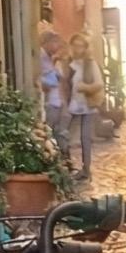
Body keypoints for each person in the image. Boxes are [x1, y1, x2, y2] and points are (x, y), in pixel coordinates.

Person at [67, 33, 106, 181]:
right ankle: (67, 165)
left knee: (85, 137)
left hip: (87, 104)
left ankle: (86, 168)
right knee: (65, 135)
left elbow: (99, 84)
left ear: (85, 48)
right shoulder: (67, 63)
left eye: (80, 46)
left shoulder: (90, 64)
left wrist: (86, 87)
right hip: (70, 104)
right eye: (75, 45)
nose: (77, 49)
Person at [39, 31, 71, 161]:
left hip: (58, 101)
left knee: (60, 131)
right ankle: (58, 158)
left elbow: (62, 79)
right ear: (47, 42)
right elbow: (42, 79)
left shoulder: (52, 59)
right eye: (55, 42)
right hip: (49, 102)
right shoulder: (41, 57)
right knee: (50, 131)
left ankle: (63, 157)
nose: (57, 46)